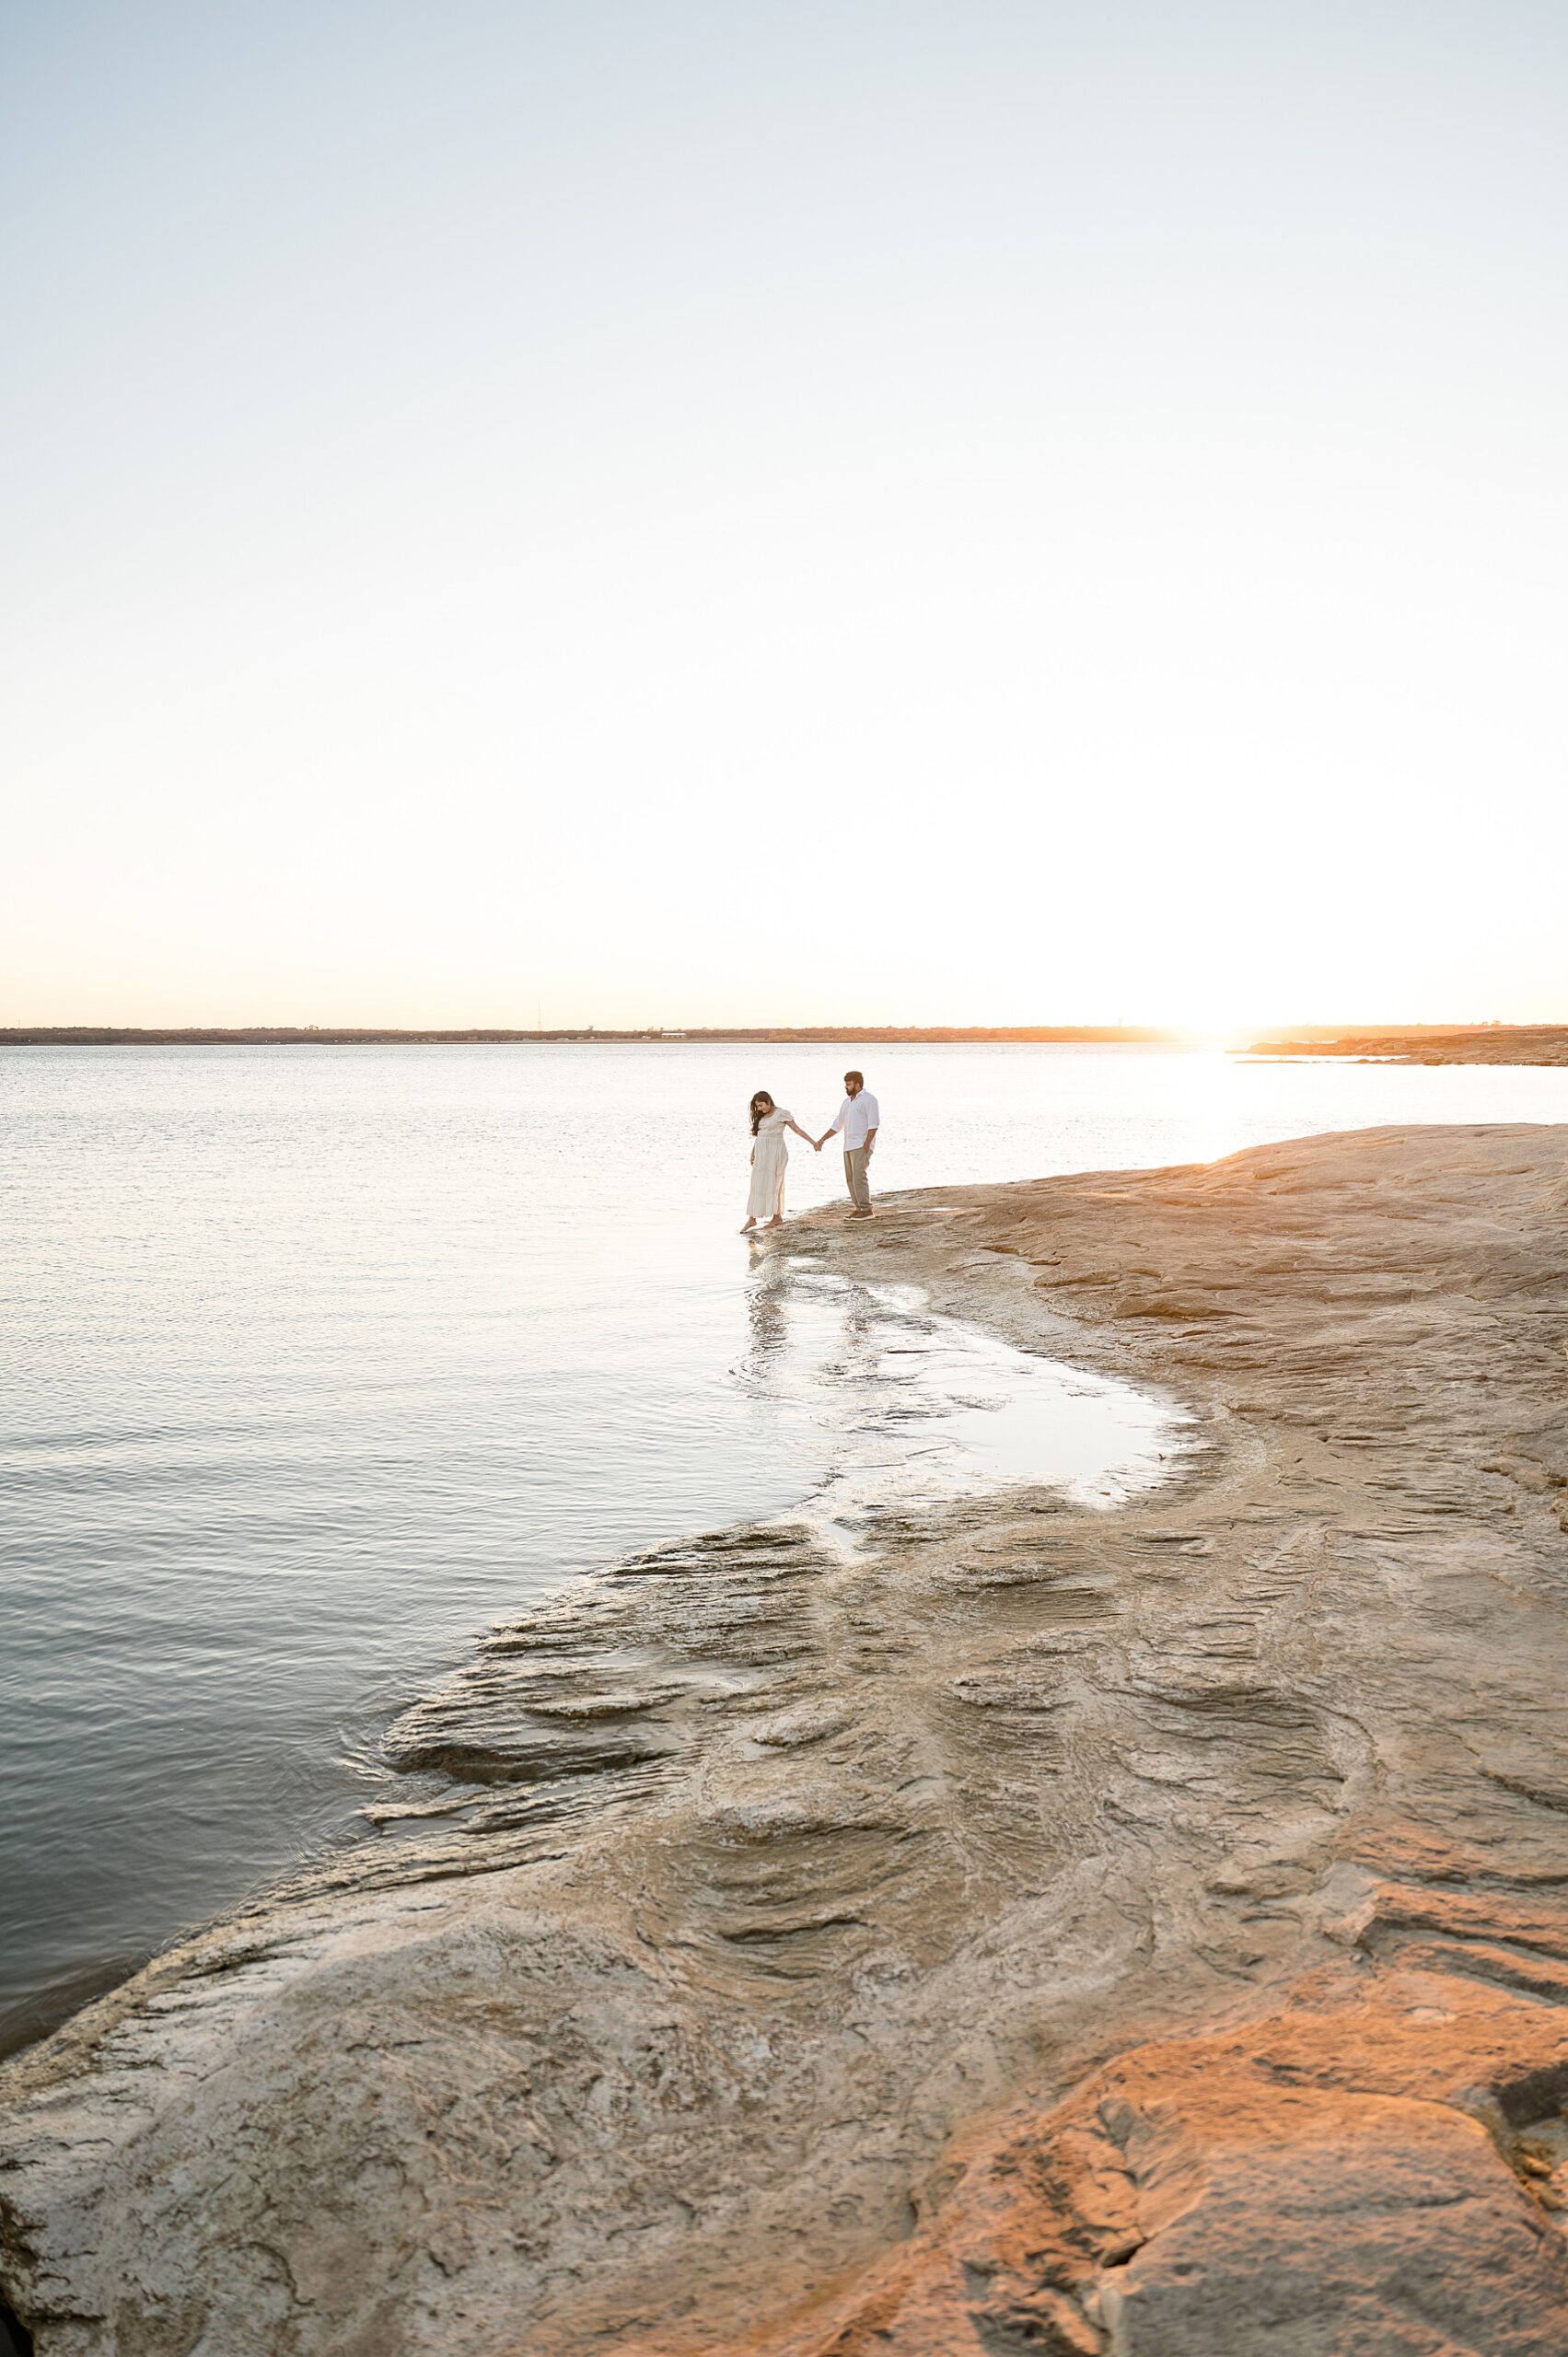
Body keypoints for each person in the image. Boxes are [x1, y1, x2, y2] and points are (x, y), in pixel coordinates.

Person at [741, 1091, 819, 1232]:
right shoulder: (762, 1116)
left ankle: (777, 1217)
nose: (760, 1109)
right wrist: (753, 1152)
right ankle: (752, 1219)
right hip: (761, 1153)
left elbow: (797, 1130)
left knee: (774, 1182)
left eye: (761, 1105)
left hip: (776, 1152)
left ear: (769, 1101)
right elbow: (760, 1135)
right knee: (757, 1183)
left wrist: (813, 1142)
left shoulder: (781, 1114)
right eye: (757, 1107)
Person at [818, 1070, 880, 1218]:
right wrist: (822, 1139)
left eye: (849, 1084)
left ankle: (866, 1209)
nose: (846, 1087)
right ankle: (858, 1208)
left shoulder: (869, 1100)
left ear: (857, 1085)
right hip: (848, 1145)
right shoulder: (846, 1103)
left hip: (861, 1145)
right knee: (850, 1178)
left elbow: (874, 1124)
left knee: (859, 1177)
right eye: (846, 1084)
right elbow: (837, 1125)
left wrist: (867, 1144)